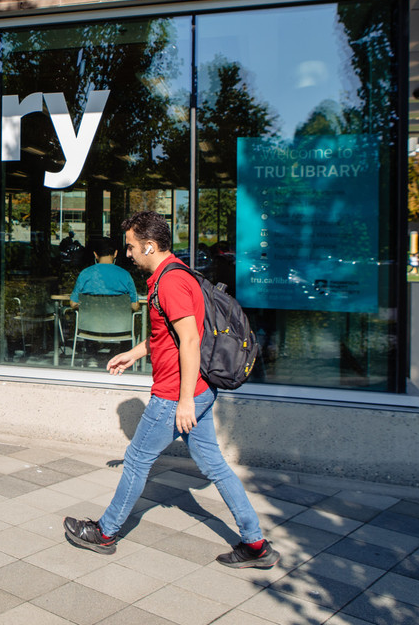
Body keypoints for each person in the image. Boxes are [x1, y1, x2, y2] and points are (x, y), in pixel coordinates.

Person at [62, 211, 280, 570]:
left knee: (137, 460)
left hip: (177, 391)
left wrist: (184, 401)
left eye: (131, 246)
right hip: (197, 388)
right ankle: (256, 545)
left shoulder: (171, 282)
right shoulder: (174, 273)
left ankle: (104, 533)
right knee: (214, 466)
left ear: (149, 245)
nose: (128, 253)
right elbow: (168, 335)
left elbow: (190, 341)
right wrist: (134, 354)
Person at [69, 235, 141, 313]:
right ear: (115, 253)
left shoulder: (85, 274)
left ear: (95, 254)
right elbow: (135, 306)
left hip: (91, 319)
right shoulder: (125, 275)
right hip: (118, 320)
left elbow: (73, 303)